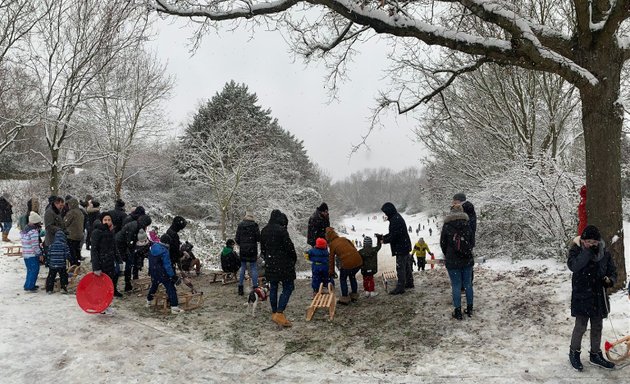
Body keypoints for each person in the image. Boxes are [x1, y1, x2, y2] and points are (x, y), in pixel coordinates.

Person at [567, 225, 616, 371]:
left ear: (598, 241)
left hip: (598, 295)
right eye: (588, 242)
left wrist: (609, 280)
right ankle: (574, 353)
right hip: (582, 295)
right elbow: (574, 266)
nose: (591, 244)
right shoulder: (576, 251)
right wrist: (587, 253)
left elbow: (612, 271)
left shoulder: (605, 253)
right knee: (580, 326)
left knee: (597, 326)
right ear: (582, 241)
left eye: (594, 242)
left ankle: (595, 354)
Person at [261, 209, 297, 327]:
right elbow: (290, 248)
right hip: (284, 265)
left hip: (270, 264)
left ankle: (274, 312)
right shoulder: (282, 231)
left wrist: (268, 259)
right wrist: (293, 259)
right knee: (288, 286)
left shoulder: (264, 231)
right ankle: (280, 313)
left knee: (274, 287)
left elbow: (263, 251)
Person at [440, 205, 474, 320]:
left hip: (453, 261)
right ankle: (470, 308)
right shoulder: (467, 224)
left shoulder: (447, 226)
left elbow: (443, 243)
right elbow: (472, 242)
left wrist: (448, 254)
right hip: (467, 259)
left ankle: (458, 311)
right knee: (468, 284)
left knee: (456, 285)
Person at [380, 202, 412, 295]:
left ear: (389, 211)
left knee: (400, 267)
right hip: (404, 245)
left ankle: (400, 287)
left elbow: (394, 236)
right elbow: (394, 233)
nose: (385, 214)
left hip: (401, 247)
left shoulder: (395, 220)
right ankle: (409, 283)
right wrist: (384, 237)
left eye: (385, 212)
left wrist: (384, 241)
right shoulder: (396, 217)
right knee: (406, 266)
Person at [146, 234, 183, 314]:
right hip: (163, 273)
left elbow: (150, 261)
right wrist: (173, 276)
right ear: (167, 243)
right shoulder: (164, 251)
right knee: (171, 288)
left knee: (154, 286)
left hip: (154, 272)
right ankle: (174, 307)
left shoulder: (153, 247)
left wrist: (150, 270)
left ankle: (148, 301)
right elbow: (167, 265)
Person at [115, 214, 152, 292]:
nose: (146, 227)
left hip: (127, 245)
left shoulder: (139, 225)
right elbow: (130, 242)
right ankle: (127, 284)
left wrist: (147, 243)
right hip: (121, 245)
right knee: (129, 263)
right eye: (147, 225)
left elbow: (142, 238)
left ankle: (135, 280)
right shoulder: (133, 227)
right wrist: (136, 248)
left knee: (134, 261)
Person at [326, 227, 363, 304]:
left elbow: (331, 260)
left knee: (343, 279)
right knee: (352, 277)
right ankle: (354, 295)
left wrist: (331, 271)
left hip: (347, 264)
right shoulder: (344, 238)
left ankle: (345, 298)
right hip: (358, 261)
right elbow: (353, 248)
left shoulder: (332, 244)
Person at [91, 212, 123, 298]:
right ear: (102, 221)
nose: (107, 222)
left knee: (111, 279)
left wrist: (119, 261)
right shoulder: (97, 232)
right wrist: (96, 267)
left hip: (110, 261)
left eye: (109, 220)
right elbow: (94, 250)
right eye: (105, 220)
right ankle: (100, 302)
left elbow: (114, 247)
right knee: (101, 284)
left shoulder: (111, 232)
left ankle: (112, 293)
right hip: (101, 262)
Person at [235, 211, 261, 296]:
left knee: (243, 267)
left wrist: (242, 244)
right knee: (253, 267)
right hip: (252, 249)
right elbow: (258, 238)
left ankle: (240, 287)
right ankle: (255, 287)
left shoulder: (240, 225)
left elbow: (237, 239)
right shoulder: (255, 225)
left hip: (243, 249)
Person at [20, 212, 43, 292]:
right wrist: (39, 253)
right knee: (35, 270)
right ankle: (30, 286)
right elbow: (35, 245)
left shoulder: (25, 229)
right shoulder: (33, 232)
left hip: (26, 254)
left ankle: (28, 285)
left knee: (30, 270)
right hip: (32, 254)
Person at [63, 198, 84, 266]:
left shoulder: (71, 212)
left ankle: (73, 265)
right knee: (77, 250)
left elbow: (65, 223)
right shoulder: (80, 212)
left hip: (71, 235)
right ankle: (77, 264)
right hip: (79, 235)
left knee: (72, 252)